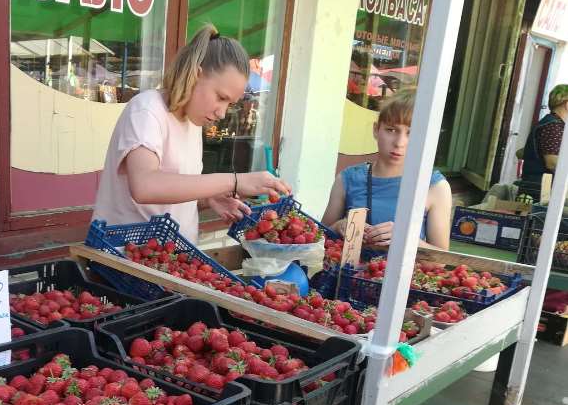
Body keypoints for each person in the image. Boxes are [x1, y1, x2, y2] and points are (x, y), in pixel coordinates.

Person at [92, 24, 290, 245]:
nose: (222, 112)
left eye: (230, 104)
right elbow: (144, 186)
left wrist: (208, 199)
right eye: (221, 97)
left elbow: (170, 194)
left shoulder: (192, 121)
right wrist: (234, 181)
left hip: (172, 256)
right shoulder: (147, 110)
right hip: (124, 256)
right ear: (195, 75)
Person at [321, 89, 452, 250]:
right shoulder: (347, 179)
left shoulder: (434, 186)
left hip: (406, 267)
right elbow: (318, 240)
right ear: (376, 130)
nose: (399, 143)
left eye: (412, 133)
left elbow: (440, 259)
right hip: (348, 266)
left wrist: (407, 240)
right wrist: (338, 227)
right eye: (391, 130)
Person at [519, 84, 568, 185]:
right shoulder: (554, 125)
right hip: (539, 189)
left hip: (535, 185)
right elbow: (552, 163)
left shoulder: (550, 123)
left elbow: (521, 152)